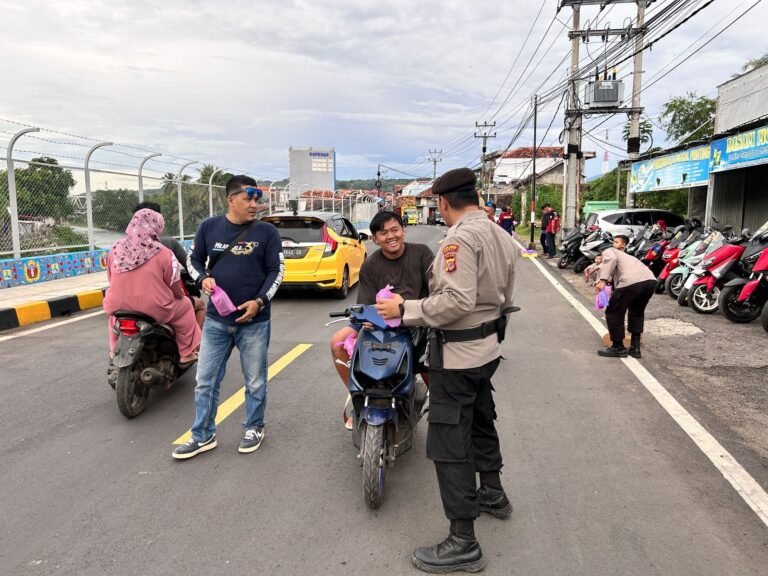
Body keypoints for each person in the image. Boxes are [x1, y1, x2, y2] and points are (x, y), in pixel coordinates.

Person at [375, 167, 516, 574]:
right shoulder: (498, 233)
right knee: (480, 420)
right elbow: (508, 294)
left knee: (449, 443)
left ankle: (463, 541)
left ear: (441, 202)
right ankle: (492, 492)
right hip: (486, 350)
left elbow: (454, 300)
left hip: (457, 356)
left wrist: (405, 310)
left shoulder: (459, 238)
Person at [172, 175, 285, 460]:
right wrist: (203, 279)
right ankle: (202, 435)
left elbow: (276, 272)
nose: (254, 204)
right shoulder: (209, 227)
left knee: (255, 380)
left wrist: (259, 302)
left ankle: (254, 426)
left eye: (256, 199)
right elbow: (193, 260)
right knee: (205, 380)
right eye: (248, 199)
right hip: (216, 321)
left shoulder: (267, 233)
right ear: (230, 199)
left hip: (255, 322)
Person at [331, 210, 434, 429]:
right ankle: (357, 398)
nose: (391, 236)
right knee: (337, 342)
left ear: (403, 230)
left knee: (432, 359)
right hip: (380, 324)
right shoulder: (370, 265)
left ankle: (439, 403)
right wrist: (365, 319)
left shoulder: (422, 254)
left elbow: (437, 292)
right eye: (383, 233)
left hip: (418, 321)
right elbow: (366, 306)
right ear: (375, 239)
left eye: (395, 229)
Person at [103, 209, 201, 364]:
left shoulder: (114, 249)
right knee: (187, 306)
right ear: (156, 226)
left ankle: (114, 350)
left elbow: (111, 278)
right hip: (155, 309)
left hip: (118, 305)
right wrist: (181, 296)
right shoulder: (164, 252)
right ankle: (186, 353)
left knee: (113, 318)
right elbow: (174, 286)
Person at [133, 202, 206, 328]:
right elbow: (188, 266)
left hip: (128, 304)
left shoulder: (120, 248)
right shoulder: (166, 247)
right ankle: (194, 345)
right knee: (199, 305)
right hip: (160, 304)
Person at [595, 234, 656, 359]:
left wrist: (602, 280)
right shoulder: (628, 257)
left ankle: (618, 347)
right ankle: (635, 348)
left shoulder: (609, 251)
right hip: (650, 281)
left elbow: (610, 261)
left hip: (631, 282)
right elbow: (609, 270)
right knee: (636, 312)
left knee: (614, 312)